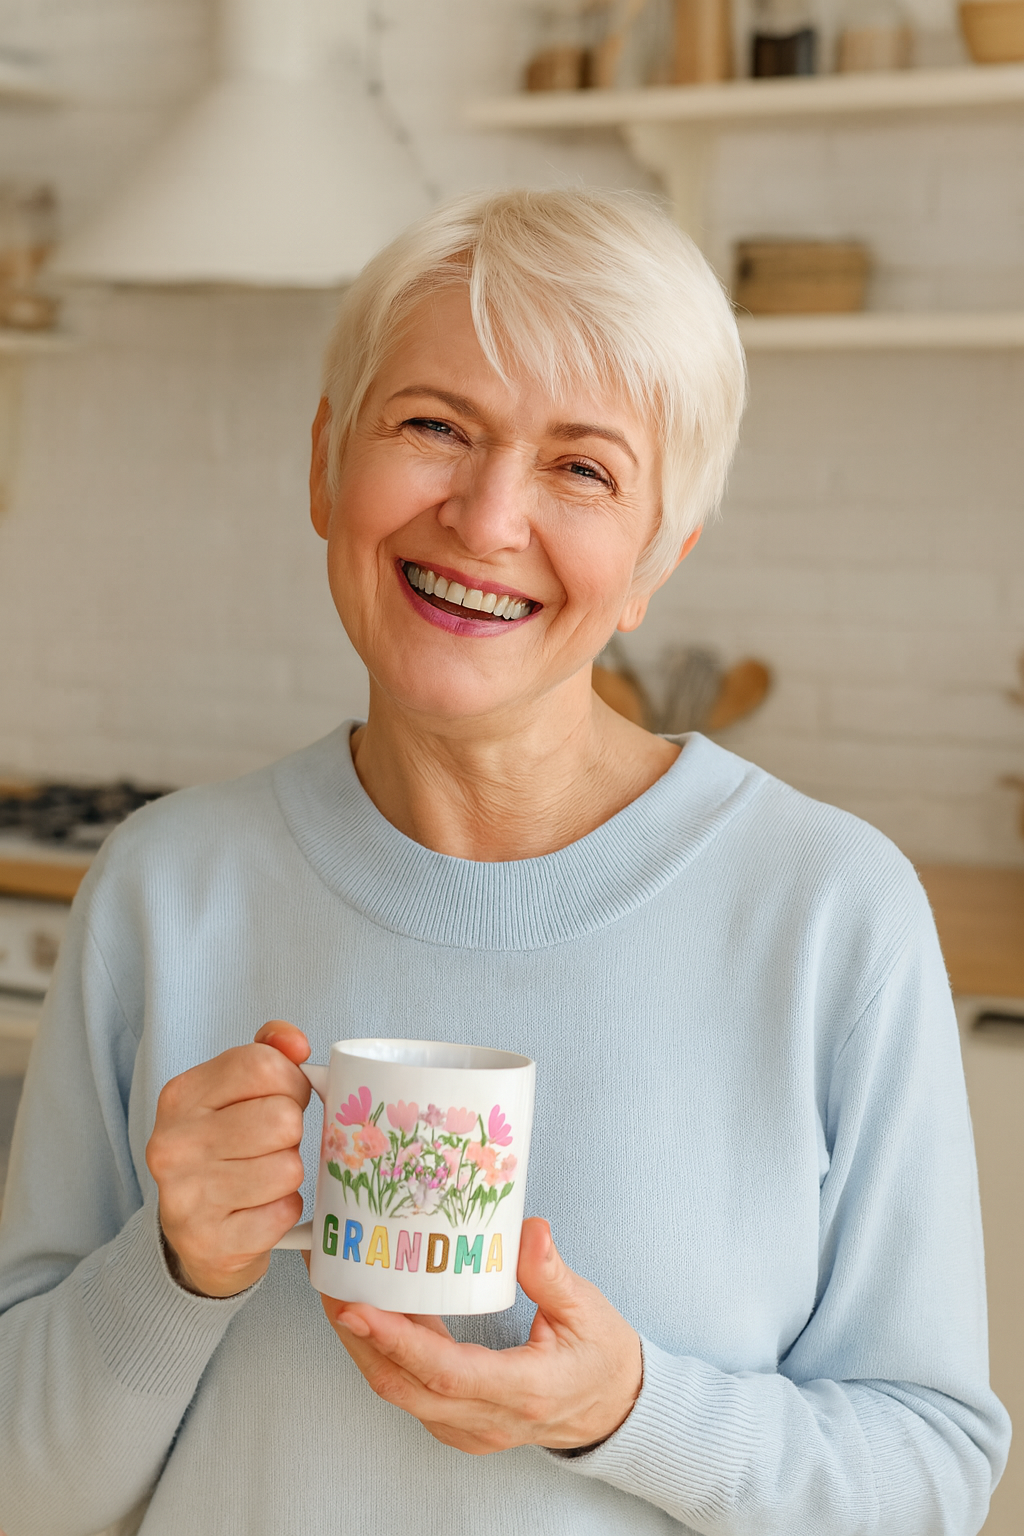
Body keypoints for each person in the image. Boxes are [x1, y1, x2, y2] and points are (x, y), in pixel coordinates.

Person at [0, 188, 1010, 1536]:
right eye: (433, 426)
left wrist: (624, 1412)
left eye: (581, 467)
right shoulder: (162, 887)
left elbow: (932, 1480)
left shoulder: (832, 914)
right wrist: (175, 1271)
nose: (483, 520)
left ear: (655, 558)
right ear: (323, 465)